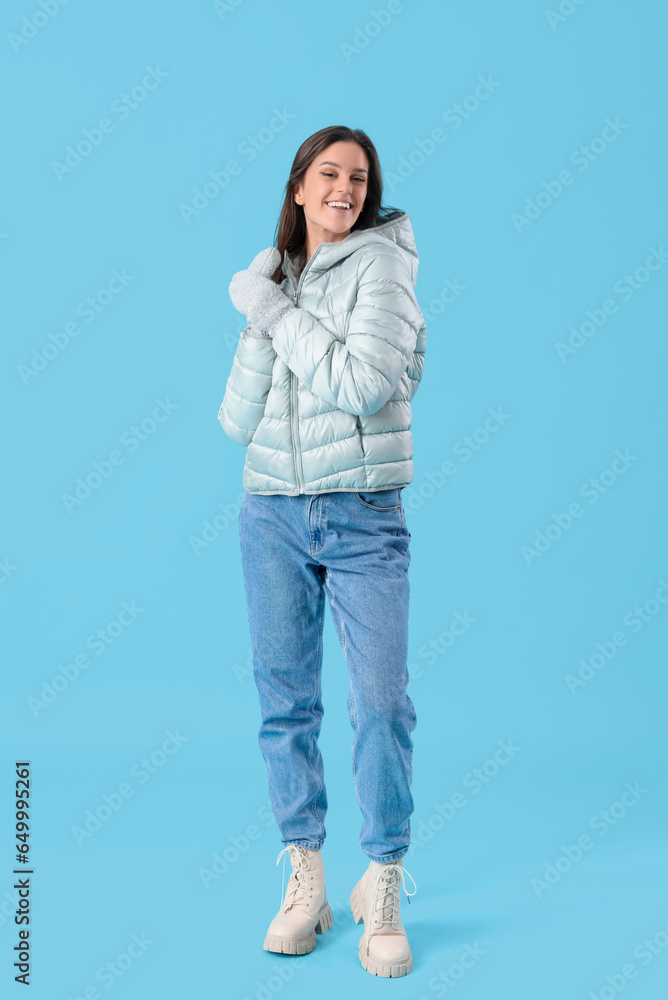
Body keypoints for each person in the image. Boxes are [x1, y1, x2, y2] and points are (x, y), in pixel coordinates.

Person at [218, 125, 426, 978]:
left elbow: (363, 385)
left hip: (361, 510)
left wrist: (276, 315)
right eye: (328, 174)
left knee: (379, 703)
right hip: (269, 510)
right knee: (284, 702)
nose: (345, 188)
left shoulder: (384, 266)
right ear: (298, 186)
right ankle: (307, 872)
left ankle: (383, 878)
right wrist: (262, 318)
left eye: (359, 177)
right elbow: (236, 421)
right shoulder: (283, 277)